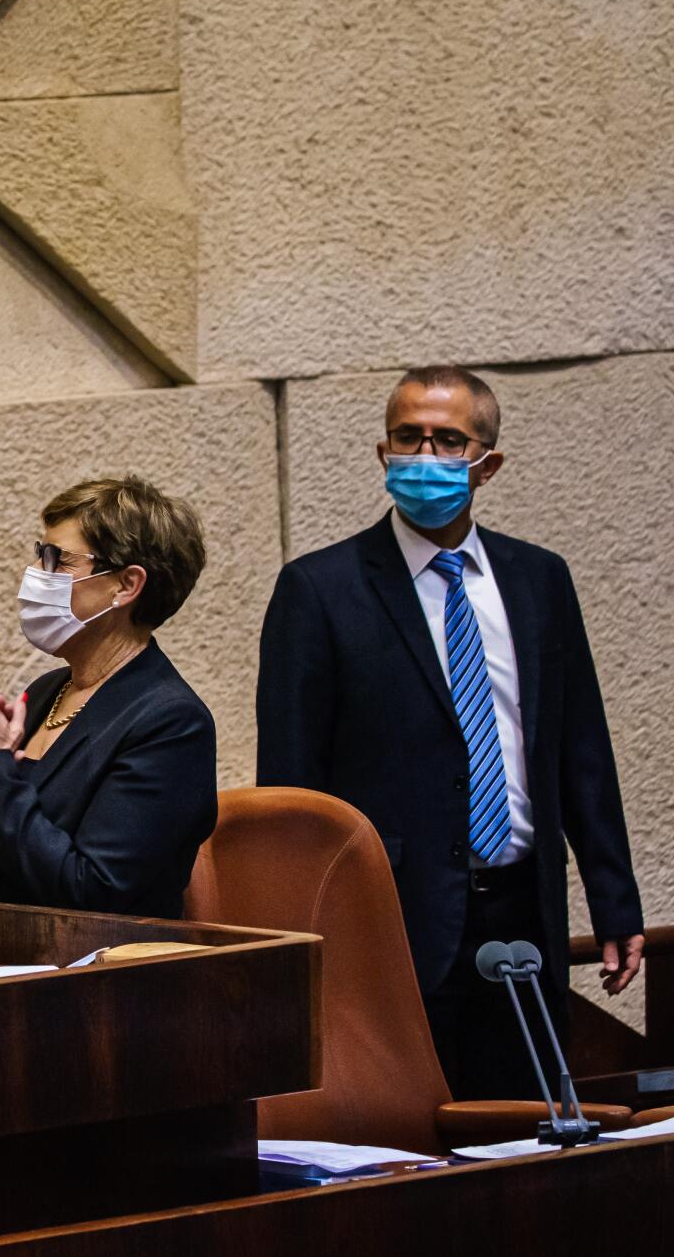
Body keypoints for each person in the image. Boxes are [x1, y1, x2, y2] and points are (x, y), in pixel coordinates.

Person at [256, 366, 643, 1099]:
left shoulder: (539, 580)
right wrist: (302, 938)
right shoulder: (319, 590)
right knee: (411, 1145)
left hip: (524, 907)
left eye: (447, 440)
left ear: (486, 464)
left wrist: (615, 902)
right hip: (390, 923)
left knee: (529, 1129)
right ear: (382, 453)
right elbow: (292, 787)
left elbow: (581, 751)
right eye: (408, 437)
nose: (424, 455)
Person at [0, 476, 216, 919]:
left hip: (104, 976)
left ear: (126, 585)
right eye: (40, 554)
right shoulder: (45, 692)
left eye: (57, 560)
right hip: (9, 959)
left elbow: (95, 893)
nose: (37, 575)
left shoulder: (171, 723)